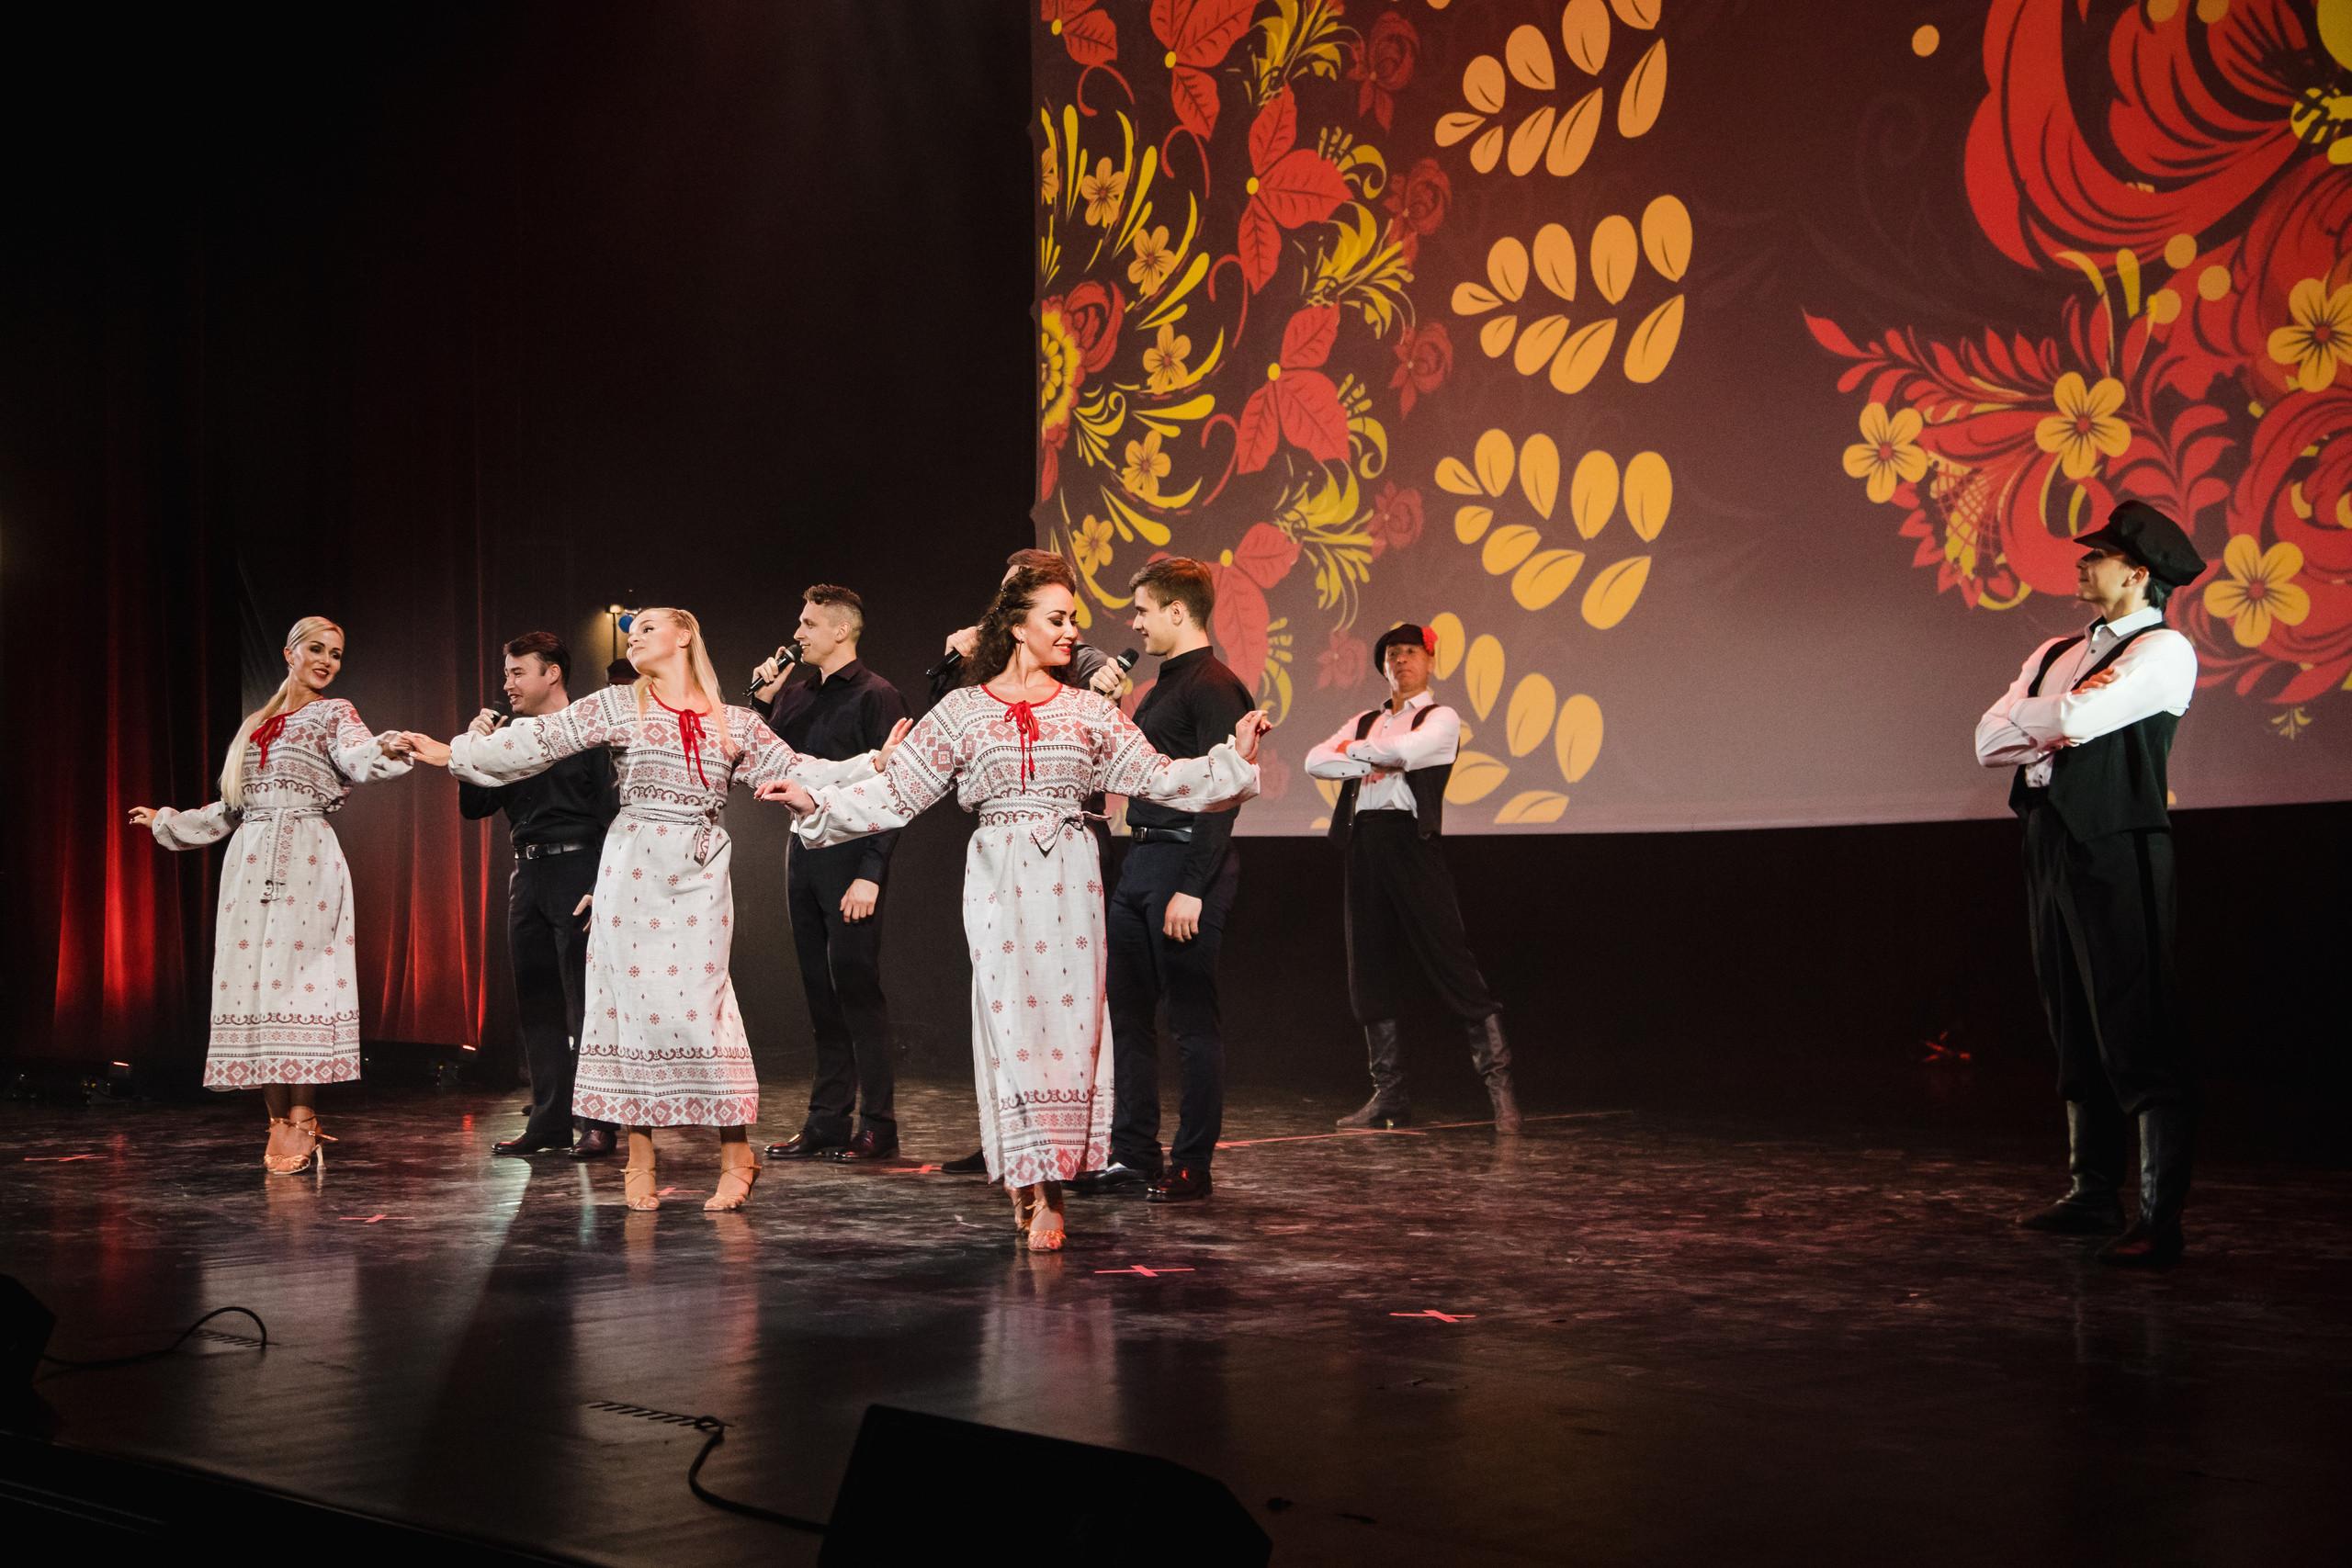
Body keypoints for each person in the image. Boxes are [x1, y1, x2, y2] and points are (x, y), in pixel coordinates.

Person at [759, 559, 1264, 1250]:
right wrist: (817, 800)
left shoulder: (1089, 711)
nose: (1073, 631)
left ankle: (1049, 1179)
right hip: (999, 876)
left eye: (1073, 618)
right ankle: (1032, 1178)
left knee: (1071, 1029)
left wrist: (1230, 761)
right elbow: (899, 788)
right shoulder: (965, 712)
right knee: (1011, 1027)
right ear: (1017, 628)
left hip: (1073, 880)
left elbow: (1160, 776)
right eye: (1057, 619)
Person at [400, 607, 901, 1213]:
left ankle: (735, 1151)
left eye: (648, 629)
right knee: (628, 1006)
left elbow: (802, 771)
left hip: (697, 871)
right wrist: (449, 752)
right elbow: (537, 739)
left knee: (702, 1007)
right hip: (631, 865)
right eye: (630, 633)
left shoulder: (733, 721)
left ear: (686, 634)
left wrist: (871, 764)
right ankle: (641, 1153)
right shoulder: (619, 705)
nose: (633, 638)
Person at [1974, 500, 2205, 1268]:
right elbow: (1987, 737)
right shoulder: (2053, 648)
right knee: (2071, 1010)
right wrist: (2049, 717)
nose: (2082, 563)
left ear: (2139, 573)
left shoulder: (2164, 649)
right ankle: (2091, 1192)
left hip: (2118, 840)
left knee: (2135, 1018)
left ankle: (2158, 1216)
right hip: (2049, 836)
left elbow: (2082, 716)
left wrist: (2039, 719)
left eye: (2098, 555)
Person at [130, 616, 417, 1173]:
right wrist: (168, 820)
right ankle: (275, 1120)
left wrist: (390, 747)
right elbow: (231, 808)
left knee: (300, 984)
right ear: (289, 653)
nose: (327, 661)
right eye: (316, 649)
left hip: (308, 858)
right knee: (254, 984)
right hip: (250, 862)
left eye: (336, 653)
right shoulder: (253, 727)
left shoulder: (336, 712)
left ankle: (304, 1118)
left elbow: (361, 756)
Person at [933, 546, 1130, 1178]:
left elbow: (1107, 699)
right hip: (998, 854)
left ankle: (1053, 1159)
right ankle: (1017, 1145)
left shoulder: (1081, 665)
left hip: (1065, 850)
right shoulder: (980, 667)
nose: (1069, 628)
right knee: (1004, 998)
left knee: (1065, 1006)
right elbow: (938, 727)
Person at [1074, 558, 1255, 1204]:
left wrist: (1194, 887)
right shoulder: (1157, 688)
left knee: (1190, 1022)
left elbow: (1222, 793)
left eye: (1144, 609)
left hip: (1184, 864)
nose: (1136, 622)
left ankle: (1192, 1164)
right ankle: (1133, 1154)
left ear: (1178, 612)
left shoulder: (1214, 686)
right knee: (1128, 1017)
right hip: (1141, 860)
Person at [1305, 624, 1522, 1134]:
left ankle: (1501, 1092)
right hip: (1365, 845)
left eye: (1410, 652)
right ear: (1383, 665)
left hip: (1411, 844)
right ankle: (1390, 1096)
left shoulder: (1441, 717)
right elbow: (1315, 759)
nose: (1401, 661)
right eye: (1392, 655)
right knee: (1370, 967)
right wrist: (1366, 752)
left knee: (1451, 960)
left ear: (1429, 660)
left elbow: (1404, 754)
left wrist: (1356, 755)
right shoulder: (1365, 719)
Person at [749, 586, 910, 1163]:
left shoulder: (877, 695)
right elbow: (766, 762)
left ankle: (878, 1123)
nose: (798, 633)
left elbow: (896, 792)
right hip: (804, 854)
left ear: (841, 630)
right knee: (820, 992)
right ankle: (826, 1120)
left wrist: (871, 874)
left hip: (853, 855)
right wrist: (763, 703)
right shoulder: (792, 696)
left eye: (809, 622)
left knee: (856, 988)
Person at [458, 632, 621, 1159]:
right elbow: (475, 807)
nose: (507, 684)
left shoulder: (591, 732)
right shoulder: (512, 736)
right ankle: (549, 1122)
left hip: (580, 871)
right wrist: (473, 747)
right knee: (538, 1003)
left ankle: (599, 1123)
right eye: (506, 674)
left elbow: (615, 817)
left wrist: (603, 885)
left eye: (516, 672)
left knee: (587, 1005)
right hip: (526, 874)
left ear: (552, 673)